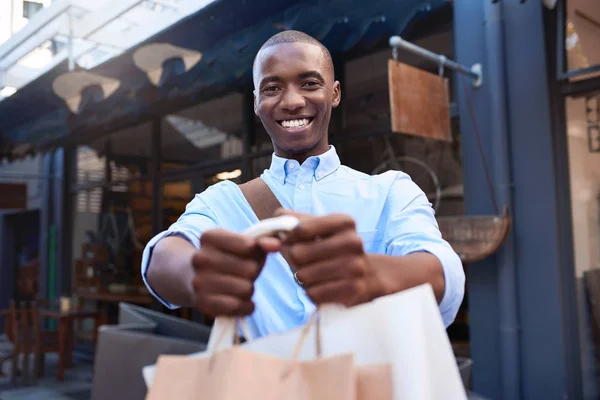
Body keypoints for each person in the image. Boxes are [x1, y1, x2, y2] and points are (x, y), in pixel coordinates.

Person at [141, 30, 465, 338]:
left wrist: (372, 273)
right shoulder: (222, 200)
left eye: (309, 83)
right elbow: (161, 256)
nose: (292, 101)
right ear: (256, 102)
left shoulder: (391, 191)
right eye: (272, 88)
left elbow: (443, 271)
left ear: (334, 93)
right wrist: (194, 271)